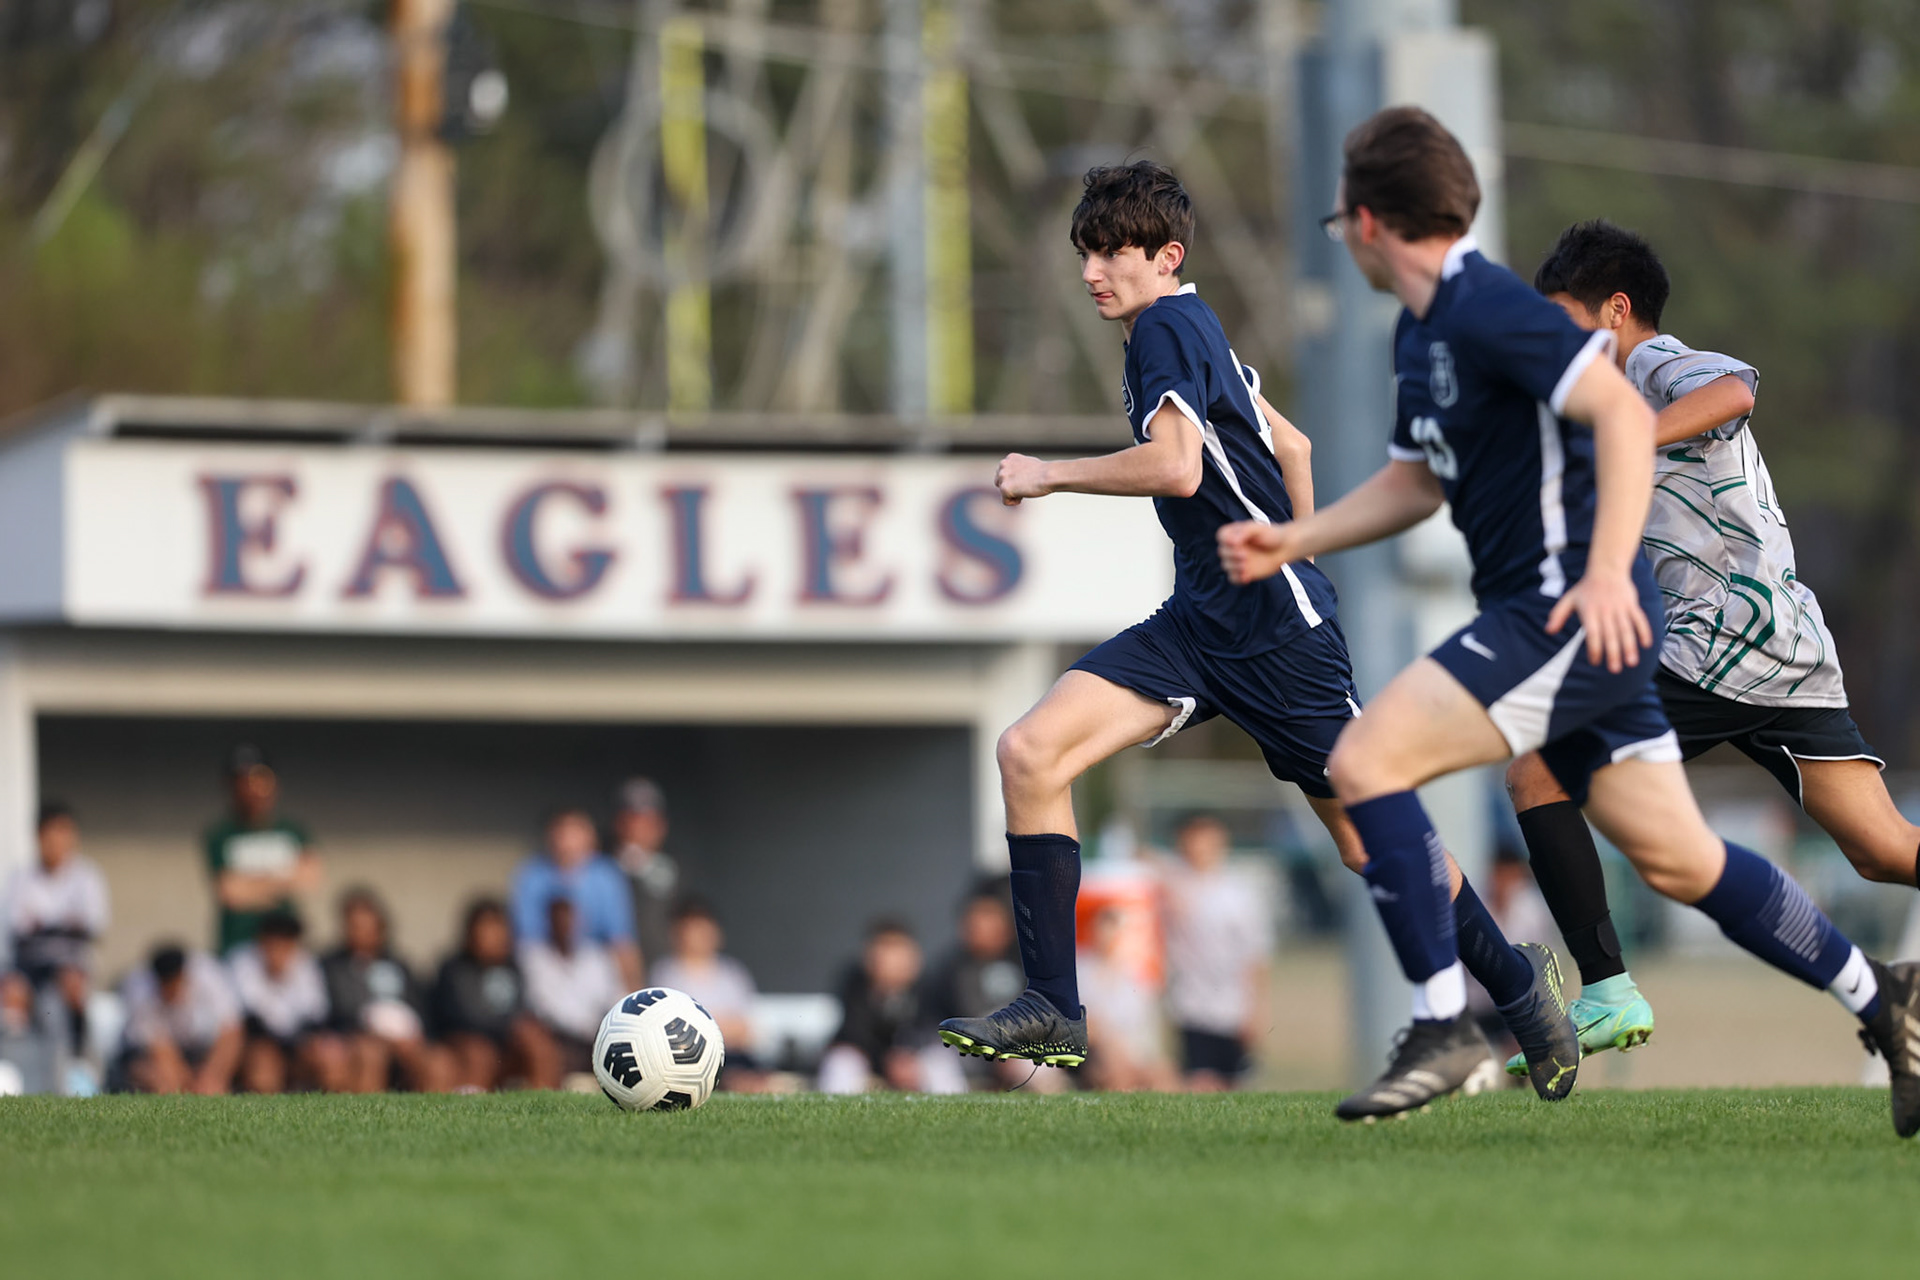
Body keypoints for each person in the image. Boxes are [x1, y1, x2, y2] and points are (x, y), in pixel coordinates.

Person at [1217, 105, 1920, 1131]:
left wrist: (1597, 575)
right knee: (1685, 858)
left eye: (1338, 221)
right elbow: (1417, 482)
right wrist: (1299, 536)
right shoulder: (1424, 336)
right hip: (1599, 625)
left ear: (1367, 223)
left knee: (1365, 760)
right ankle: (1881, 996)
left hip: (1565, 616)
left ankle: (1445, 1017)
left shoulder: (1493, 307)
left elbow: (1621, 420)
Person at [935, 160, 1554, 1090]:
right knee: (1030, 752)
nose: (1093, 271)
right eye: (1086, 253)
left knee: (1365, 840)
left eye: (1112, 253)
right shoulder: (1195, 325)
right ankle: (1054, 1010)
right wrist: (1295, 548)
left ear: (1167, 254)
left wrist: (1049, 473)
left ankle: (1517, 991)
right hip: (1201, 622)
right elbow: (1290, 444)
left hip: (1278, 641)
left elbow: (1178, 466)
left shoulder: (1165, 330)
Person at [1495, 219, 1920, 1076]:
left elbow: (1734, 389)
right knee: (1881, 851)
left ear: (1616, 312)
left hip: (1724, 641)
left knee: (1537, 767)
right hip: (1786, 646)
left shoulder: (1650, 365)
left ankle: (1608, 991)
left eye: (1566, 322)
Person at [1160, 814, 1272, 1090]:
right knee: (1201, 1081)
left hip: (1232, 1006)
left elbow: (1255, 955)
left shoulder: (1238, 894)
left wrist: (1255, 1009)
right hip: (1190, 1005)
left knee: (1235, 1082)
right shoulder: (1173, 884)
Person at [319, 887, 451, 1092]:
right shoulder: (332, 966)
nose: (360, 933)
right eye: (354, 926)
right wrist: (379, 1033)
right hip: (357, 1037)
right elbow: (337, 1011)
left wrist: (412, 1035)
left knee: (438, 1061)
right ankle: (367, 1119)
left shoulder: (399, 965)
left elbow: (419, 1006)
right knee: (370, 1055)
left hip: (406, 1040)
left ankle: (433, 1120)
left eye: (366, 926)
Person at [4, 802, 108, 1057]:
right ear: (39, 837)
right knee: (12, 993)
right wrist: (62, 924)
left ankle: (78, 1056)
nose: (60, 844)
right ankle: (16, 1066)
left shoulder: (86, 876)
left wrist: (47, 925)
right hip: (30, 963)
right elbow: (18, 927)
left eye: (65, 835)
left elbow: (94, 925)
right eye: (53, 836)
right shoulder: (21, 877)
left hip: (70, 962)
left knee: (71, 986)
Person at [819, 919, 964, 1095]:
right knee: (841, 1061)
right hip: (869, 1060)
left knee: (941, 1060)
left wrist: (908, 1056)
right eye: (886, 950)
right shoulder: (855, 983)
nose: (893, 961)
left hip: (913, 1059)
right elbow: (853, 1031)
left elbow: (934, 1028)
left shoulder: (927, 986)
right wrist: (884, 1059)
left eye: (900, 951)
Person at [431, 897, 560, 1090]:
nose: (496, 937)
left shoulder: (512, 967)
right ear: (471, 933)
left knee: (538, 1042)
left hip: (507, 1044)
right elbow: (462, 1017)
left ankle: (545, 1101)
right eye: (488, 929)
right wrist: (510, 1026)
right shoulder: (455, 968)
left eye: (501, 929)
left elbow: (521, 1006)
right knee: (480, 1053)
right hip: (466, 1043)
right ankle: (469, 1109)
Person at [204, 743, 319, 954]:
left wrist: (252, 885)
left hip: (286, 945)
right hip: (239, 944)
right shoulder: (221, 834)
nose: (254, 790)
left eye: (260, 779)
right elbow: (230, 893)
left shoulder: (291, 830)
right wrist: (283, 878)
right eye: (244, 782)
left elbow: (309, 877)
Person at [509, 807, 641, 990]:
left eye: (574, 831)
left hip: (594, 958)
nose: (566, 839)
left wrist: (634, 988)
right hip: (547, 959)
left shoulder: (606, 874)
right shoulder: (532, 873)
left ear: (590, 836)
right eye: (561, 831)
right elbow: (526, 938)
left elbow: (621, 940)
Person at [649, 897, 766, 1092]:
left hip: (733, 1058)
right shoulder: (665, 973)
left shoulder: (733, 974)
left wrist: (701, 1026)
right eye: (691, 927)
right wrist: (721, 1025)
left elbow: (746, 1031)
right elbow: (671, 1032)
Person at [227, 908, 346, 1093]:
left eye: (286, 944)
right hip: (259, 1042)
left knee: (331, 1054)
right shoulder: (241, 962)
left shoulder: (305, 962)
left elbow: (315, 1013)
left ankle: (332, 1116)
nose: (280, 951)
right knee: (263, 1064)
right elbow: (252, 1020)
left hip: (298, 1041)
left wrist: (304, 1043)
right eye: (274, 944)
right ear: (261, 942)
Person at [518, 896, 625, 1076]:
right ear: (548, 921)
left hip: (598, 1033)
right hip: (557, 1036)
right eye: (558, 919)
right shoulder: (533, 957)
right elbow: (542, 1006)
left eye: (568, 918)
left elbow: (614, 996)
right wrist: (583, 1031)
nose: (564, 925)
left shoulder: (596, 956)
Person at [119, 943, 244, 1095]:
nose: (172, 992)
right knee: (164, 1084)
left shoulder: (209, 974)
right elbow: (159, 1048)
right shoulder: (139, 991)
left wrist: (212, 1076)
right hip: (144, 1053)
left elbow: (231, 1032)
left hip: (199, 1050)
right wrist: (188, 1084)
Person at [1077, 905, 1177, 1092]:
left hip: (1130, 1049)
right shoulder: (1080, 971)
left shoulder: (1132, 974)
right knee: (1116, 1068)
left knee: (1164, 1072)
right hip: (1094, 1051)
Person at [611, 778, 680, 973]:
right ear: (619, 823)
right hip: (616, 975)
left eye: (650, 821)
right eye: (633, 820)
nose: (640, 829)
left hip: (665, 973)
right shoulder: (602, 867)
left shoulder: (676, 866)